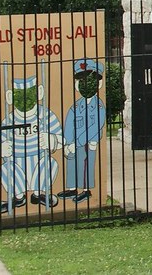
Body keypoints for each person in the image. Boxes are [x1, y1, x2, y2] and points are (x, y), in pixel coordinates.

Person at [0, 72, 62, 213]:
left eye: (29, 93)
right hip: (16, 162)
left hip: (39, 159)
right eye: (19, 94)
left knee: (50, 164)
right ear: (10, 97)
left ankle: (38, 193)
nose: (25, 98)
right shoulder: (9, 120)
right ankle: (18, 197)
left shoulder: (45, 115)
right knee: (6, 169)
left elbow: (60, 139)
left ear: (38, 93)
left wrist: (53, 140)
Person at [59, 58, 107, 203]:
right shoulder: (76, 105)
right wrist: (68, 142)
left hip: (88, 142)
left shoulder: (98, 106)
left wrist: (78, 142)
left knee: (86, 163)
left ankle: (86, 190)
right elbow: (69, 124)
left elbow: (95, 127)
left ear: (99, 83)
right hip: (74, 142)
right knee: (72, 162)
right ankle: (72, 188)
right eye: (81, 81)